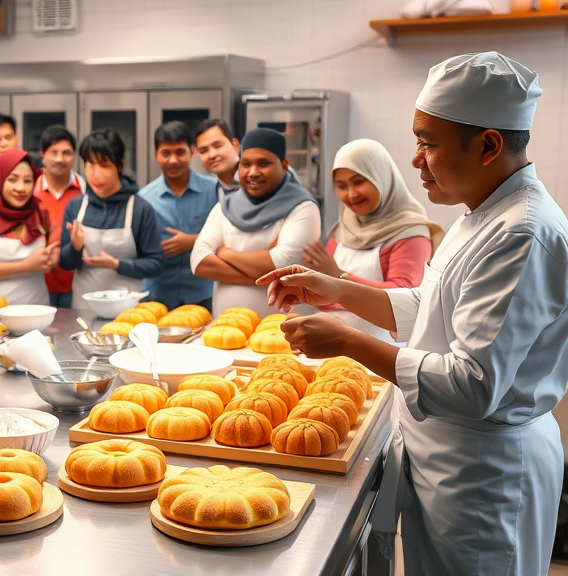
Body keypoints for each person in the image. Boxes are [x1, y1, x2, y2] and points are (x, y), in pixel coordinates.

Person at [258, 52, 566, 576]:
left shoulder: (521, 233)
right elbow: (430, 308)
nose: (416, 159)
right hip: (448, 460)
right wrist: (334, 286)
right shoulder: (480, 214)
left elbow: (473, 383)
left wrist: (349, 341)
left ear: (489, 145)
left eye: (427, 142)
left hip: (484, 473)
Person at [300, 139, 443, 341]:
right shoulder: (344, 228)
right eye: (341, 186)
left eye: (359, 182)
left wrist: (340, 278)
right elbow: (324, 297)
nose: (351, 194)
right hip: (330, 344)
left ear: (381, 177)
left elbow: (405, 298)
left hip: (383, 348)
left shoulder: (411, 232)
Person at [191, 128, 321, 317]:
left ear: (284, 166)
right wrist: (268, 273)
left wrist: (225, 253)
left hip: (285, 331)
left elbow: (285, 263)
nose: (253, 172)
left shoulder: (303, 208)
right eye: (245, 164)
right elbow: (199, 262)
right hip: (227, 330)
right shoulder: (226, 206)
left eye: (263, 163)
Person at [61, 130, 164, 309]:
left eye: (104, 165)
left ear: (120, 165)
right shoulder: (76, 207)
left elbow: (155, 264)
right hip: (83, 307)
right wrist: (75, 248)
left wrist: (117, 264)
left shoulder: (140, 208)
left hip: (128, 309)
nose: (96, 174)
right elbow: (64, 263)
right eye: (90, 164)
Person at [139, 121, 219, 310]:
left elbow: (232, 236)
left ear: (192, 152)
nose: (173, 160)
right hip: (157, 296)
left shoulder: (215, 190)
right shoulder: (144, 199)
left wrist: (195, 241)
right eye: (166, 153)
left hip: (205, 294)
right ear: (155, 154)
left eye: (180, 152)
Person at [0, 149, 56, 304]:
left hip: (35, 310)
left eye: (27, 181)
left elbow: (50, 256)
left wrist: (51, 260)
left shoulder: (40, 213)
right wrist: (27, 266)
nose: (21, 188)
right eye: (12, 180)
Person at [34, 125, 84, 308]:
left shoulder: (85, 189)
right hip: (37, 283)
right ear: (42, 154)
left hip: (77, 283)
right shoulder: (29, 190)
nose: (59, 159)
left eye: (66, 153)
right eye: (53, 152)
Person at [195, 118, 241, 195]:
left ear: (235, 144)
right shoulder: (206, 190)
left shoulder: (254, 179)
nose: (212, 155)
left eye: (218, 146)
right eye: (203, 151)